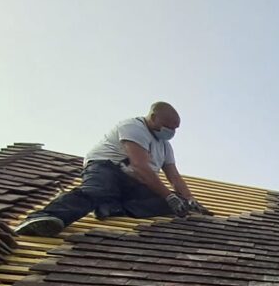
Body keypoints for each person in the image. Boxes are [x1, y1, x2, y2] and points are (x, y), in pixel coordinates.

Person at [14, 102, 213, 237]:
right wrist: (170, 195)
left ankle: (111, 207)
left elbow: (174, 176)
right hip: (107, 168)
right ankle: (46, 217)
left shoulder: (164, 146)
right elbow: (140, 166)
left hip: (135, 181)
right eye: (168, 126)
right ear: (153, 117)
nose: (171, 132)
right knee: (99, 191)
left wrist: (188, 199)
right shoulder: (133, 127)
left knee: (171, 205)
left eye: (175, 129)